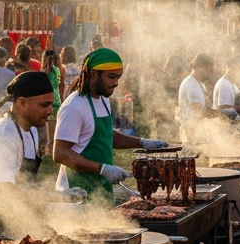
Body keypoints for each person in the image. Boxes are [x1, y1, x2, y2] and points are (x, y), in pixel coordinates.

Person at [0, 72, 81, 244]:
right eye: (45, 105)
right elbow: (5, 194)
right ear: (22, 103)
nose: (50, 111)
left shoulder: (30, 131)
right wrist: (56, 197)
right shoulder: (2, 137)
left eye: (51, 104)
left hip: (13, 219)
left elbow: (26, 183)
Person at [53, 48, 169, 199]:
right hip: (76, 192)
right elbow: (60, 153)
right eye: (111, 77)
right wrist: (102, 169)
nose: (116, 83)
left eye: (118, 77)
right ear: (94, 74)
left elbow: (105, 134)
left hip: (101, 187)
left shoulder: (103, 99)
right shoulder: (74, 107)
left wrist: (142, 142)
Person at [178, 53, 217, 126]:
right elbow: (199, 110)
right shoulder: (192, 84)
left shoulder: (198, 83)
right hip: (191, 130)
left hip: (198, 129)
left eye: (211, 69)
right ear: (199, 67)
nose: (210, 72)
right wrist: (221, 115)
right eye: (208, 69)